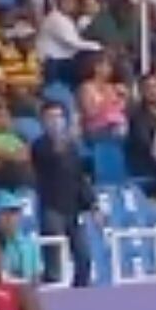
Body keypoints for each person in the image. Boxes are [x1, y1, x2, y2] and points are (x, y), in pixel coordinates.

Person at [31, 101, 92, 286]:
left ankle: (81, 290)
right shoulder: (39, 146)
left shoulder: (72, 147)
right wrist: (60, 141)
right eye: (51, 117)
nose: (56, 121)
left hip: (74, 208)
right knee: (54, 254)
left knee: (84, 255)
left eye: (59, 117)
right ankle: (53, 287)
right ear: (42, 121)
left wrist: (92, 203)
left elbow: (79, 176)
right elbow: (49, 157)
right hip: (52, 206)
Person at [38, 0, 100, 86]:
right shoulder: (55, 18)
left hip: (63, 61)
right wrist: (98, 46)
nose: (69, 2)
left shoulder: (67, 19)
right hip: (50, 63)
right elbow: (74, 43)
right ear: (57, 0)